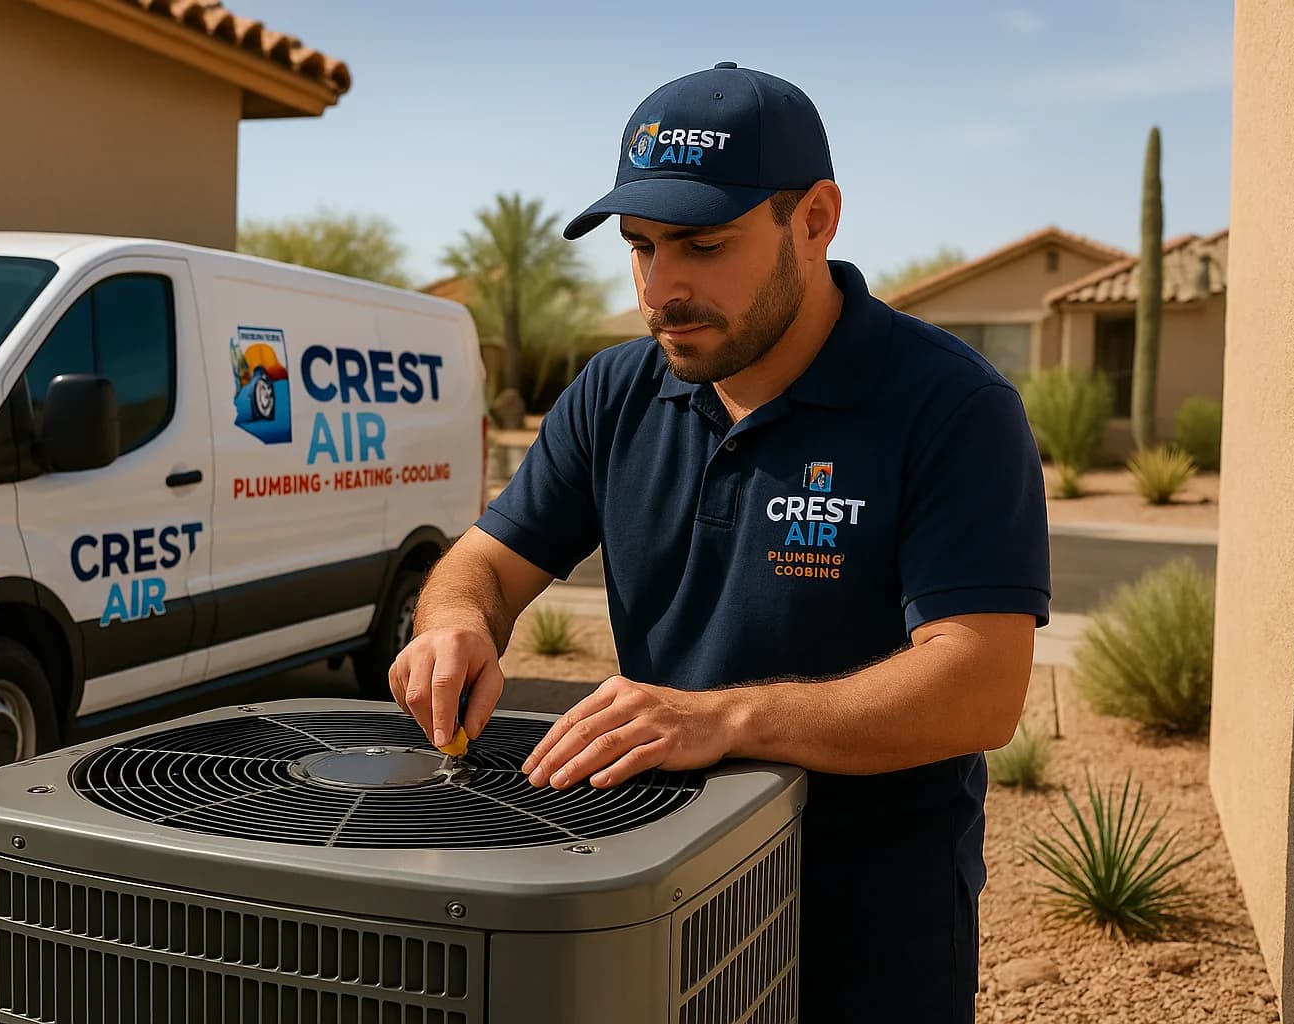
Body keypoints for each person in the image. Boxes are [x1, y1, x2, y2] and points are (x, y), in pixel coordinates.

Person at [388, 62, 1050, 1023]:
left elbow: (980, 685)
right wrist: (454, 622)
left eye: (704, 244)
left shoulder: (950, 406)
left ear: (815, 219)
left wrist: (724, 719)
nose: (662, 288)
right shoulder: (614, 393)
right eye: (641, 247)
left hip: (864, 916)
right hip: (655, 885)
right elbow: (484, 562)